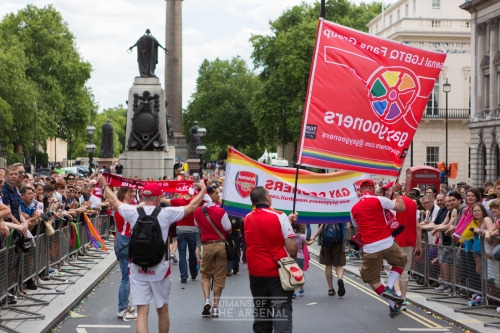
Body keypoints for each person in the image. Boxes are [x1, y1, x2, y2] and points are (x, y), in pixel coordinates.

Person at [97, 174, 206, 333]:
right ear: (159, 197)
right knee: (162, 310)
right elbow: (191, 207)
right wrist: (202, 191)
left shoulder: (133, 212)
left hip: (137, 269)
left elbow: (114, 201)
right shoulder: (166, 214)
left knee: (142, 312)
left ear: (143, 196)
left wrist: (104, 185)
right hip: (160, 269)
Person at [350, 179, 407, 318]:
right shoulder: (379, 200)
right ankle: (390, 287)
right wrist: (397, 192)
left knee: (372, 279)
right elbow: (401, 207)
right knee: (400, 262)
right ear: (372, 187)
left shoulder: (353, 209)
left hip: (370, 247)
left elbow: (358, 230)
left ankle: (392, 302)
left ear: (360, 190)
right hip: (387, 242)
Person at [244, 186, 298, 332]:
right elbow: (292, 248)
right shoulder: (279, 216)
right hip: (277, 272)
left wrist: (286, 221)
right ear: (267, 197)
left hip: (255, 272)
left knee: (262, 310)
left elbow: (263, 227)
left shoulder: (248, 218)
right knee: (282, 309)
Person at [193, 186, 232, 317]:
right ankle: (215, 307)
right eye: (215, 193)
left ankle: (206, 300)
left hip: (207, 246)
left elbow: (197, 225)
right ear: (209, 195)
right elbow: (229, 229)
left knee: (205, 274)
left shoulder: (197, 211)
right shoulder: (221, 212)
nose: (217, 195)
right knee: (219, 277)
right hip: (221, 245)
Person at [114, 187, 139, 320]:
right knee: (126, 278)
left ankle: (124, 304)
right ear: (124, 194)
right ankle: (122, 309)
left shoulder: (125, 206)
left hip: (124, 242)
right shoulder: (124, 207)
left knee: (128, 277)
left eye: (135, 192)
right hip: (125, 244)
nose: (134, 195)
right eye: (131, 192)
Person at [310, 221, 347, 297]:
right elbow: (348, 227)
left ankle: (331, 289)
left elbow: (323, 225)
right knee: (339, 265)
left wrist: (314, 235)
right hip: (339, 242)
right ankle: (340, 278)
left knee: (328, 265)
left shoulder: (327, 210)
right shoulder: (342, 211)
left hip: (326, 242)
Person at [292, 223, 315, 298]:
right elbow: (307, 244)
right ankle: (301, 290)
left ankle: (293, 292)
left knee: (292, 275)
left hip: (292, 257)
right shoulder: (302, 236)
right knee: (300, 274)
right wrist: (312, 241)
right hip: (300, 257)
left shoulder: (290, 236)